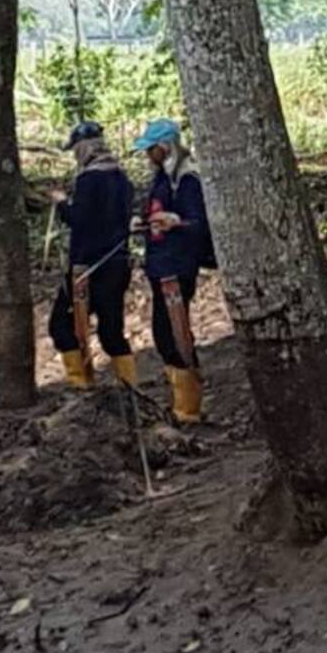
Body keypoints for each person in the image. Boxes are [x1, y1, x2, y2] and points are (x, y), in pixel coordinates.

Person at [132, 118, 212, 425]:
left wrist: (175, 221)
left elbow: (199, 224)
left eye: (150, 149)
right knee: (162, 334)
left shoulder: (188, 179)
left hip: (178, 267)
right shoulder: (162, 179)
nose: (146, 155)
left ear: (164, 148)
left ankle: (188, 410)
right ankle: (180, 403)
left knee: (175, 334)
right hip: (159, 264)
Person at [48, 121, 136, 389]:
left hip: (87, 268)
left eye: (76, 148)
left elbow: (80, 221)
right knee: (111, 332)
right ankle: (129, 389)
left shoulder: (88, 180)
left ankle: (81, 385)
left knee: (62, 326)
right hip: (117, 263)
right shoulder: (122, 178)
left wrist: (61, 202)